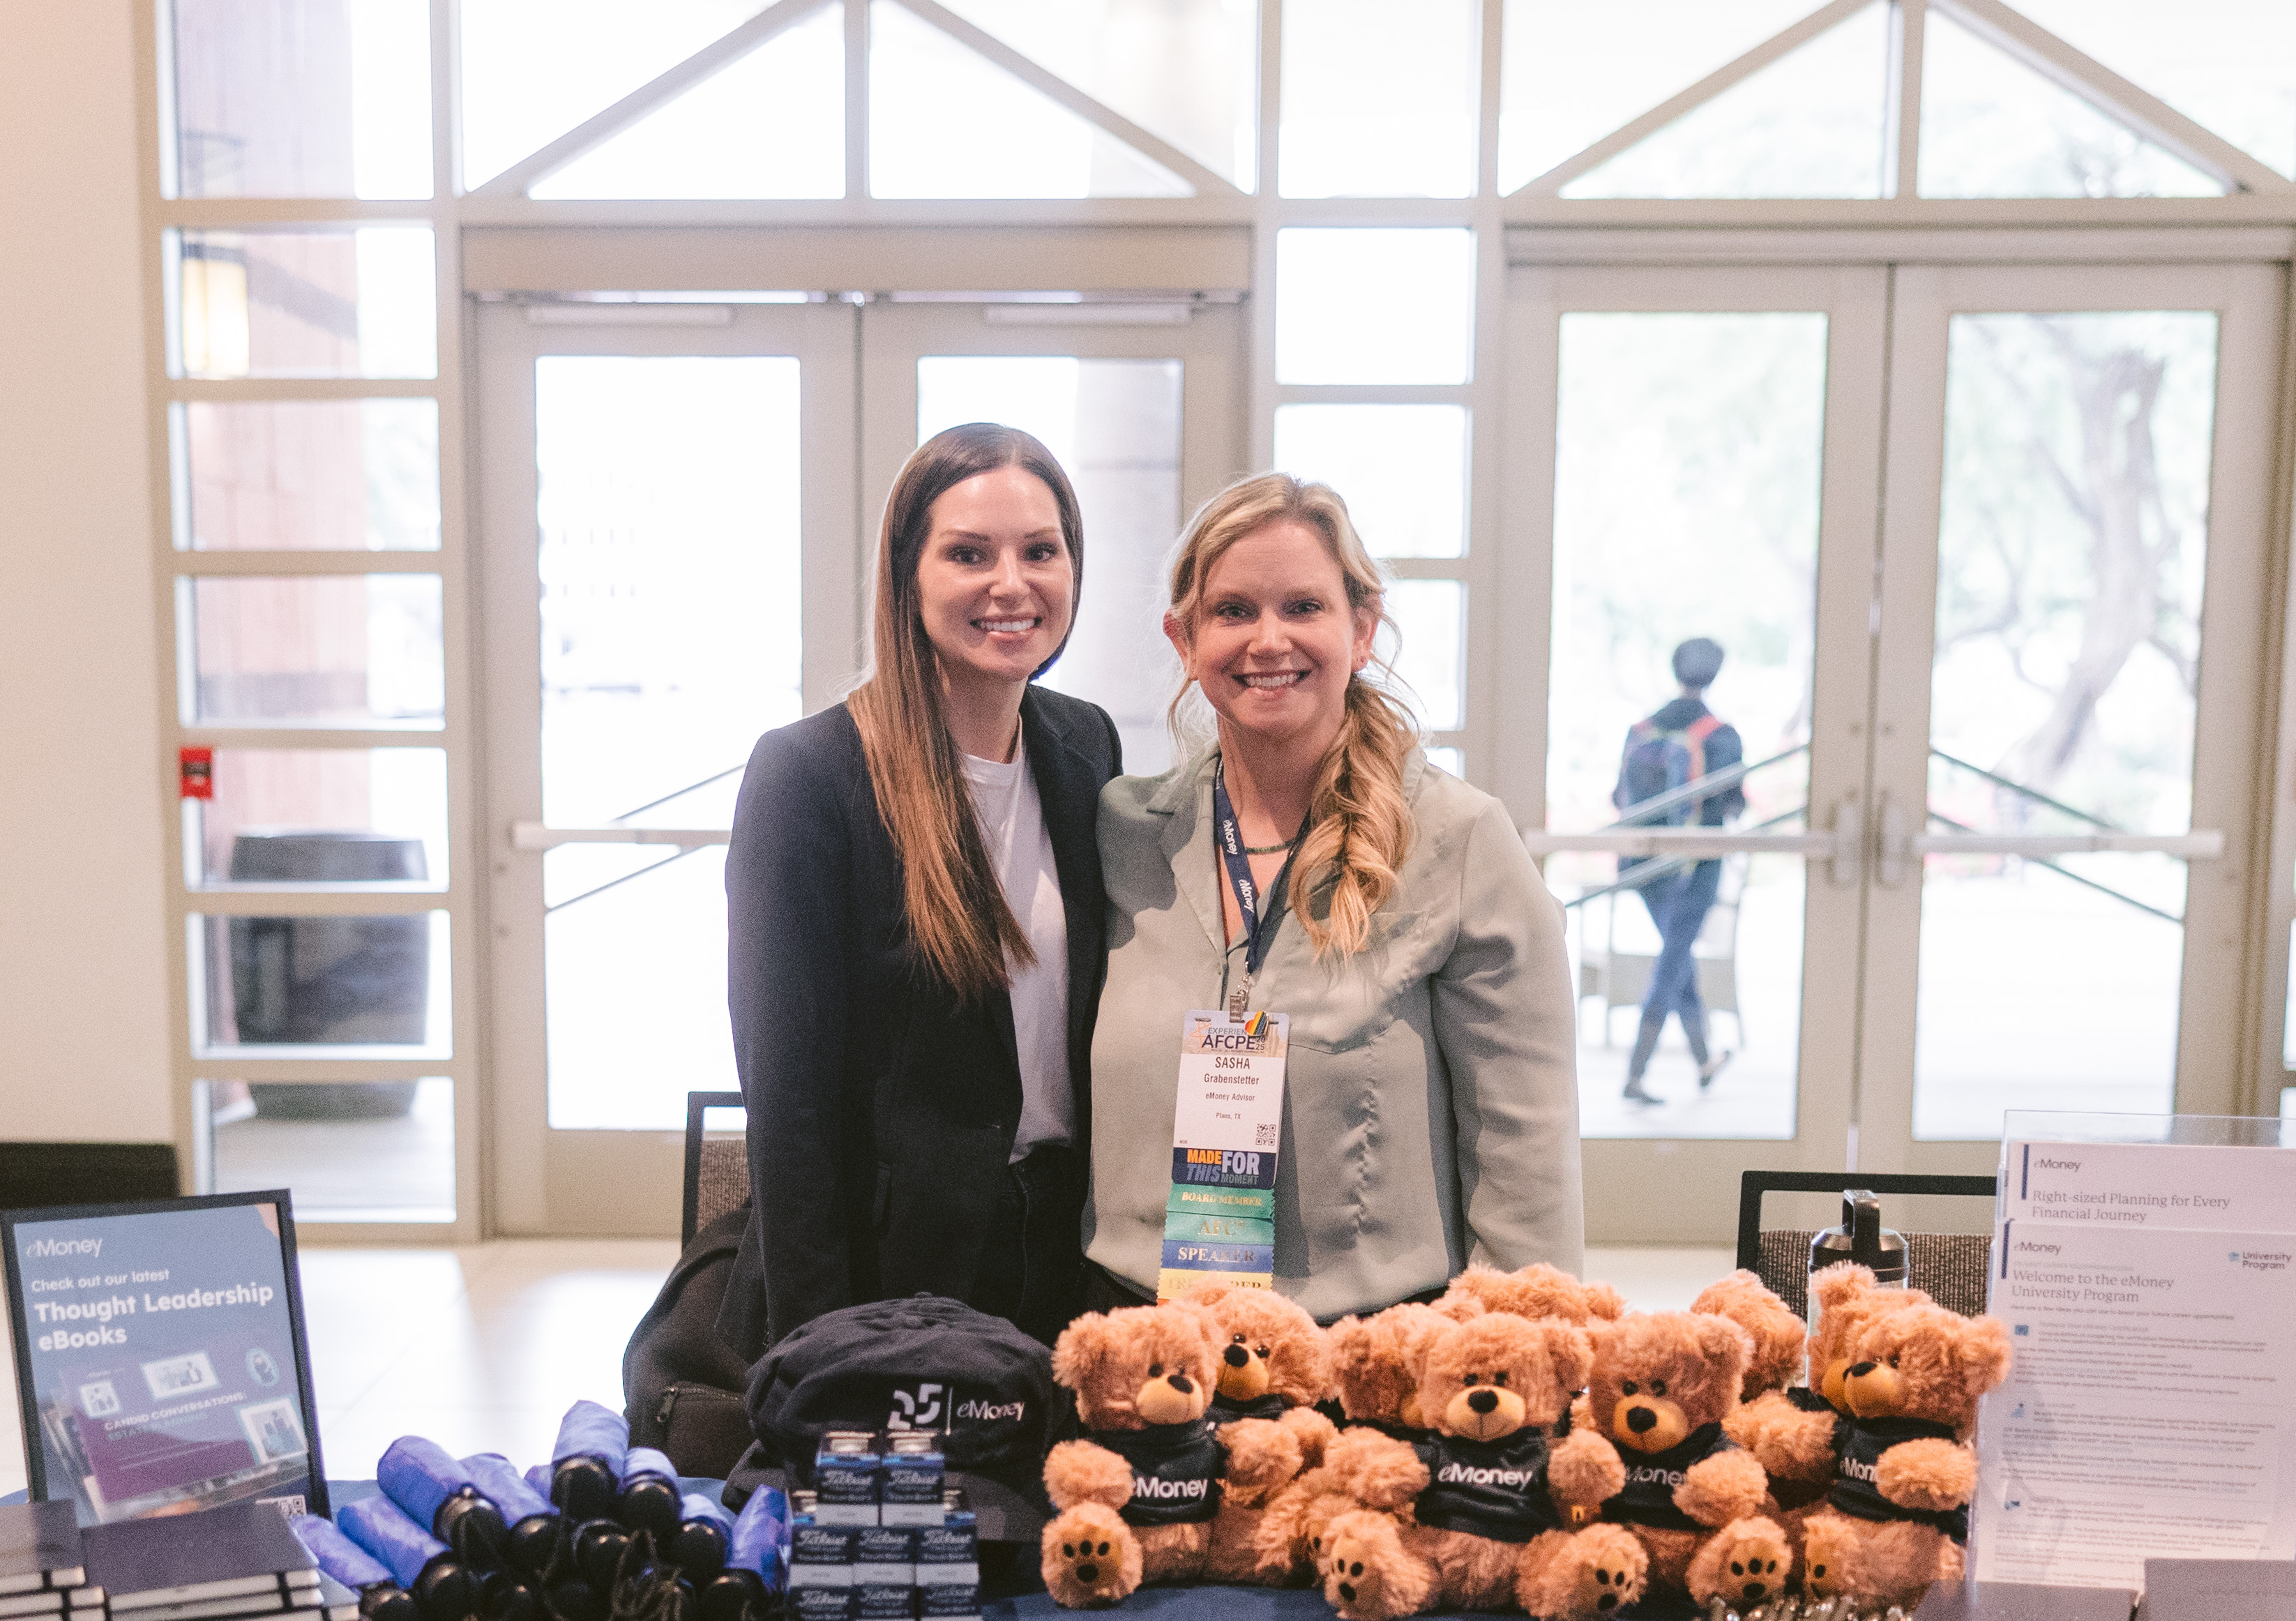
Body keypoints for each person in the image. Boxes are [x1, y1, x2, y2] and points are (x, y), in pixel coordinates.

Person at [1084, 473, 1583, 1318]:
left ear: (1362, 627)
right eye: (1232, 611)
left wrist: (1514, 1358)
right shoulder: (1124, 833)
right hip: (1142, 1333)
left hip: (1368, 1353)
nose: (1267, 640)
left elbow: (1523, 1147)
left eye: (1303, 607)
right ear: (1183, 638)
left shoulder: (1460, 839)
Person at [721, 425, 1121, 1353]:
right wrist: (820, 1351)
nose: (1011, 583)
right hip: (892, 1277)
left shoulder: (1083, 744)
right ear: (907, 576)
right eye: (968, 554)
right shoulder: (810, 774)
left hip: (1067, 1259)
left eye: (1040, 551)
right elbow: (790, 1106)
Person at [1613, 636, 1744, 1107]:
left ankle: (1705, 1059)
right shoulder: (1721, 735)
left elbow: (1618, 797)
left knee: (1678, 954)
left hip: (1642, 865)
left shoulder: (1642, 729)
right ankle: (1635, 1073)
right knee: (1673, 960)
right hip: (1696, 866)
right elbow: (1733, 803)